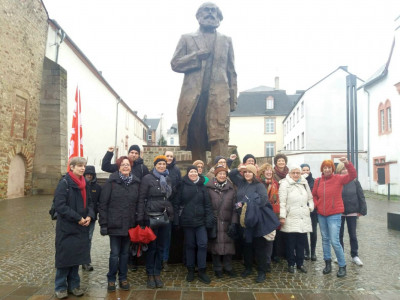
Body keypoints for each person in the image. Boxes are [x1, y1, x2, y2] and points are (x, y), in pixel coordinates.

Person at [171, 2, 237, 162]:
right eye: (206, 11)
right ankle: (198, 175)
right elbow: (175, 63)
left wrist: (233, 99)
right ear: (198, 16)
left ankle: (220, 174)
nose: (210, 14)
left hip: (219, 96)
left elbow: (231, 71)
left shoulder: (226, 40)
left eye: (214, 11)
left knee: (219, 134)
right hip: (194, 96)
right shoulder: (187, 38)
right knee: (196, 135)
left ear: (219, 17)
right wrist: (196, 56)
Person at [229, 164, 278, 283]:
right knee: (247, 245)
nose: (247, 174)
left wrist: (246, 203)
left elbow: (262, 200)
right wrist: (239, 169)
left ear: (254, 174)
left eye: (249, 172)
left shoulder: (259, 185)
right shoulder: (241, 183)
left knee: (259, 246)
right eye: (245, 172)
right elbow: (231, 174)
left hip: (256, 219)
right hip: (243, 220)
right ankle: (248, 267)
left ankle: (262, 271)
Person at [54, 157, 94, 299]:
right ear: (71, 167)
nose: (82, 168)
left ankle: (74, 286)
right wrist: (78, 218)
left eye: (84, 166)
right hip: (67, 226)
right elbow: (60, 205)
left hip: (81, 226)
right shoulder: (64, 183)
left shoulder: (85, 183)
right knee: (64, 258)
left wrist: (90, 215)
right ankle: (60, 287)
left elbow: (90, 202)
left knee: (76, 258)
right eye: (79, 166)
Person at [98, 156, 140, 292]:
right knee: (114, 253)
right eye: (123, 165)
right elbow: (103, 205)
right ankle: (111, 279)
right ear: (119, 167)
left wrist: (138, 220)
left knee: (125, 254)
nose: (125, 167)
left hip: (129, 224)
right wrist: (103, 224)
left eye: (128, 164)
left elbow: (138, 204)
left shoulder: (136, 183)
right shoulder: (111, 183)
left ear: (131, 167)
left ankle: (123, 278)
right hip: (115, 224)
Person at [312, 157, 357, 278]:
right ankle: (328, 263)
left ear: (332, 169)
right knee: (325, 239)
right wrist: (317, 205)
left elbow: (352, 175)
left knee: (334, 241)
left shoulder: (338, 178)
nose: (327, 169)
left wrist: (347, 163)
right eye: (325, 167)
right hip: (321, 214)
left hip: (334, 214)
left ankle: (342, 266)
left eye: (329, 167)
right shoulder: (318, 181)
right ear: (322, 169)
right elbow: (314, 195)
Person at [137, 155, 173, 289]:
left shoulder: (168, 178)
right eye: (159, 164)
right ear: (155, 165)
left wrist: (171, 213)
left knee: (161, 246)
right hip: (150, 215)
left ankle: (157, 272)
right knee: (151, 247)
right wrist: (140, 217)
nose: (162, 166)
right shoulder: (147, 178)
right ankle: (150, 273)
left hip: (164, 216)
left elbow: (169, 197)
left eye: (164, 164)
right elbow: (141, 198)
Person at [174, 165, 214, 284]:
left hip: (201, 221)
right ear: (187, 173)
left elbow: (207, 205)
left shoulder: (203, 186)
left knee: (202, 244)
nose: (193, 174)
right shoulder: (182, 186)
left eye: (195, 172)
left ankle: (202, 270)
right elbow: (176, 204)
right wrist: (177, 220)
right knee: (190, 246)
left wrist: (209, 220)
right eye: (191, 171)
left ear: (198, 173)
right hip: (187, 221)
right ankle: (190, 270)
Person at [279, 165, 314, 273]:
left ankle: (300, 263)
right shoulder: (284, 184)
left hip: (303, 217)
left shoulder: (304, 182)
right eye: (293, 173)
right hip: (291, 217)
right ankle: (291, 264)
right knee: (290, 243)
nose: (295, 175)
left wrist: (310, 208)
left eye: (298, 173)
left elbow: (310, 197)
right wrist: (282, 216)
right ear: (289, 174)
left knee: (301, 243)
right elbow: (282, 202)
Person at [206, 165, 238, 278]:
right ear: (216, 174)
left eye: (224, 174)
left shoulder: (231, 189)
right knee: (215, 246)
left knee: (228, 246)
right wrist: (210, 219)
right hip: (215, 222)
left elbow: (235, 208)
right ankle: (217, 268)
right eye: (220, 173)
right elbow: (207, 205)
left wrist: (234, 223)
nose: (222, 175)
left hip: (227, 221)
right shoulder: (209, 188)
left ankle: (228, 267)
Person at [336, 162, 367, 266]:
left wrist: (362, 210)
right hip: (339, 212)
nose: (344, 171)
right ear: (339, 170)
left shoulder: (355, 181)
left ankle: (355, 255)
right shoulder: (337, 181)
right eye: (342, 169)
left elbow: (361, 195)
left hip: (352, 211)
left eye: (346, 169)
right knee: (339, 235)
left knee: (352, 235)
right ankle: (340, 254)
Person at [258, 163, 280, 268]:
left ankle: (267, 262)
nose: (269, 172)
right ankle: (260, 262)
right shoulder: (258, 183)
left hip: (272, 215)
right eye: (266, 170)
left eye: (270, 170)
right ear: (262, 172)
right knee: (261, 240)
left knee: (270, 239)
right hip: (261, 215)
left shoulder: (275, 184)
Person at [162, 150, 182, 271]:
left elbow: (178, 188)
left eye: (171, 156)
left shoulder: (176, 170)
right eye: (167, 156)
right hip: (157, 208)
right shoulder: (157, 169)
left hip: (170, 207)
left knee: (167, 236)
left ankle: (165, 260)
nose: (169, 158)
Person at [82, 165, 102, 271]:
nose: (88, 176)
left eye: (91, 174)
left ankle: (86, 261)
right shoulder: (79, 185)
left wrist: (96, 212)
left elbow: (99, 202)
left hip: (91, 218)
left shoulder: (97, 187)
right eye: (87, 174)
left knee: (88, 239)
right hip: (79, 217)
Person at [300, 163, 318, 261]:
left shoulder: (314, 181)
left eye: (307, 170)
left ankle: (313, 252)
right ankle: (306, 251)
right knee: (304, 232)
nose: (306, 172)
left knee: (313, 232)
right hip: (302, 210)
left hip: (312, 211)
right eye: (304, 170)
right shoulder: (299, 181)